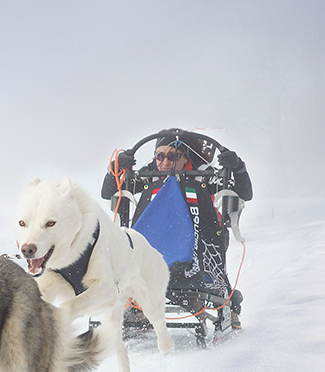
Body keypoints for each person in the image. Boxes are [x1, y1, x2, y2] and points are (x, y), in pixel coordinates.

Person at [101, 128, 252, 329]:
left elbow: (245, 192)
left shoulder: (204, 174)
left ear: (184, 157)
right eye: (160, 156)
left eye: (173, 156)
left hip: (201, 237)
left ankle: (226, 303)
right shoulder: (150, 174)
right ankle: (137, 305)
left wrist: (238, 167)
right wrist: (116, 167)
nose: (165, 162)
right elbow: (107, 192)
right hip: (155, 237)